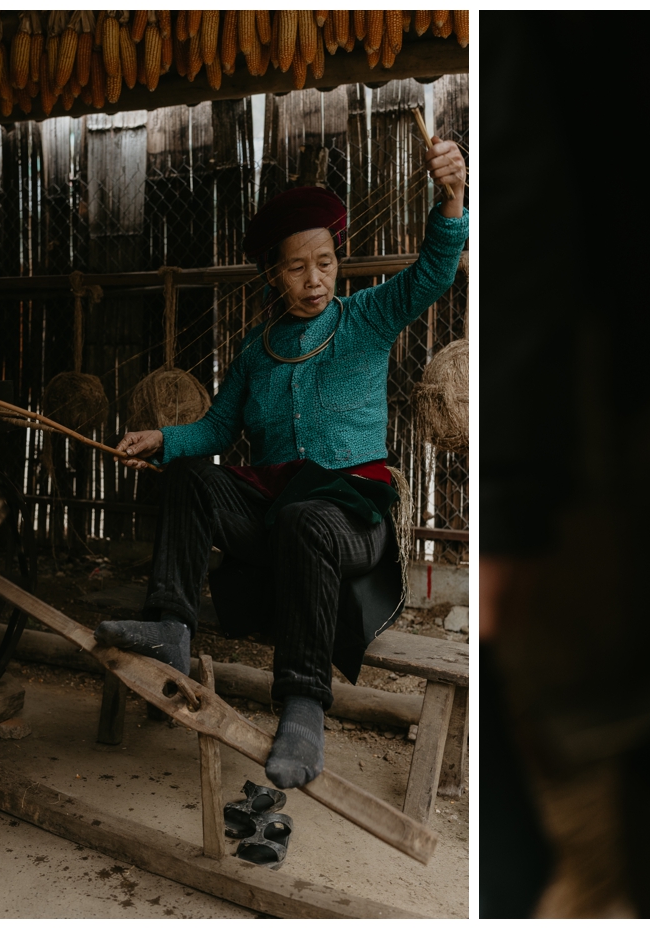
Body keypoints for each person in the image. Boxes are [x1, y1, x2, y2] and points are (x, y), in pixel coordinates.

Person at [103, 138, 469, 790]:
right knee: (193, 480)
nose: (315, 280)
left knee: (306, 514)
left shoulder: (367, 317)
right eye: (297, 268)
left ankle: (302, 705)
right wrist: (161, 440)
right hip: (277, 511)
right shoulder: (256, 351)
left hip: (350, 517)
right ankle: (169, 628)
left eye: (325, 263)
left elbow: (435, 271)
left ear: (337, 262)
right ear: (273, 274)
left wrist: (450, 198)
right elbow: (218, 428)